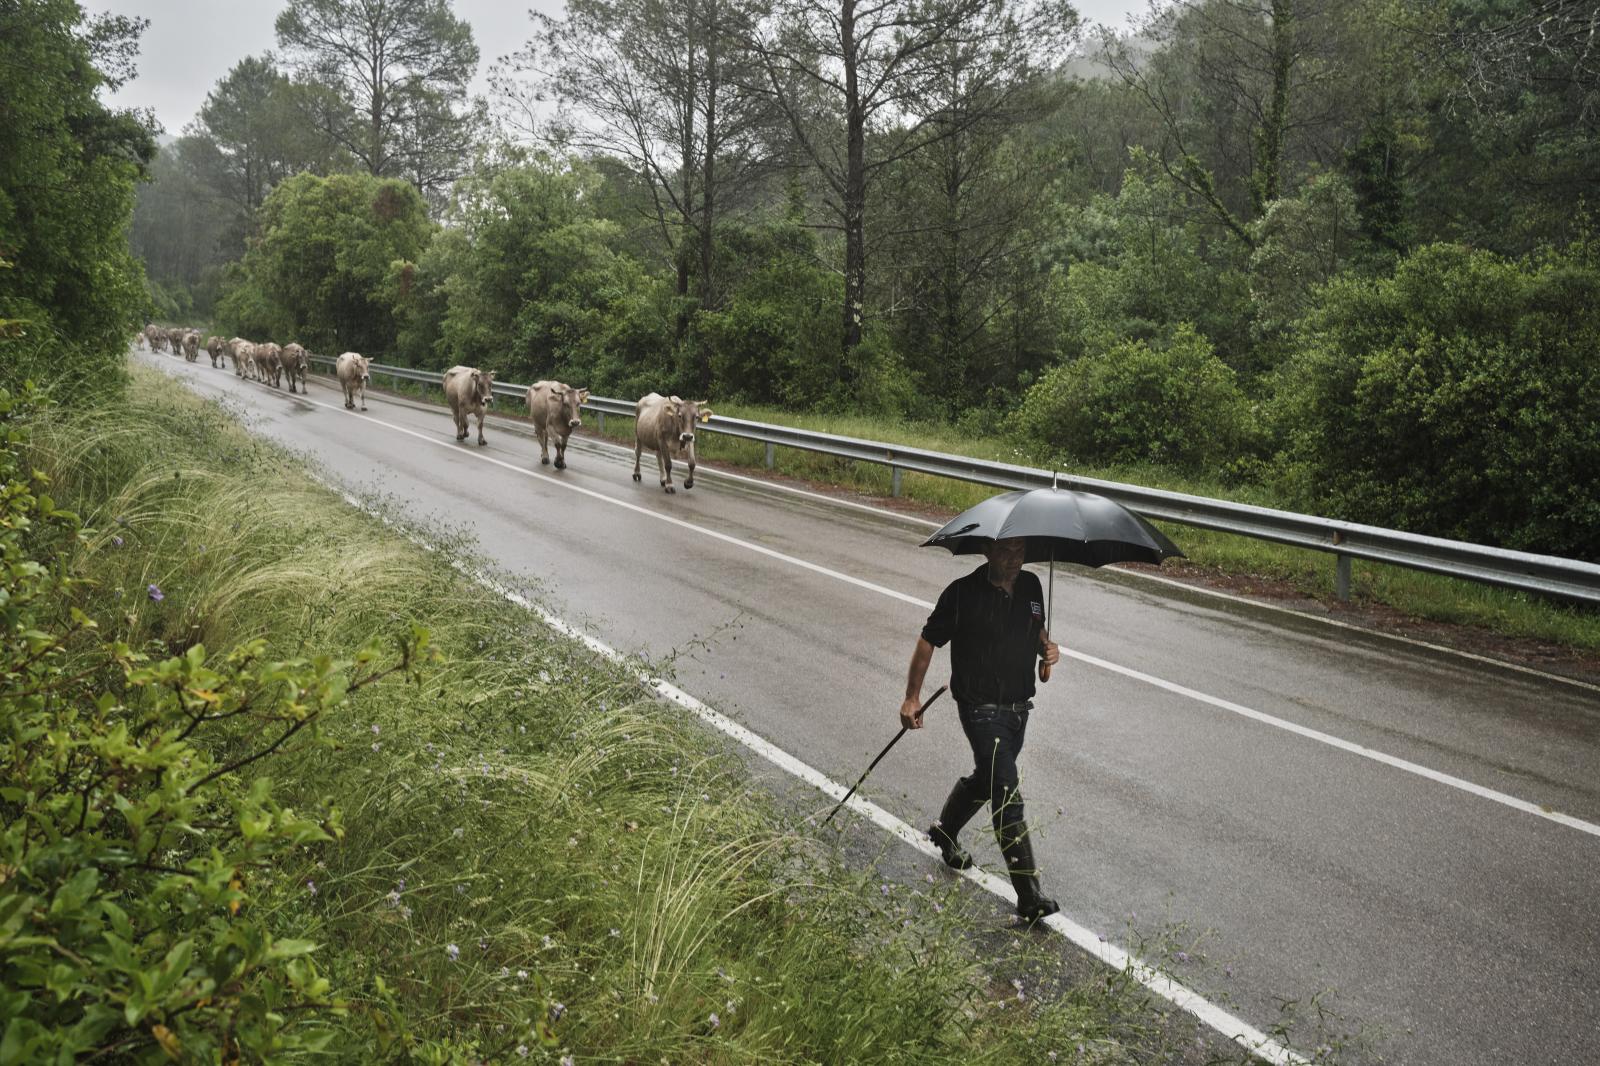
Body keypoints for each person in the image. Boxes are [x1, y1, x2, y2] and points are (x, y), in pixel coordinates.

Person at [900, 536, 1062, 923]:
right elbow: (928, 642)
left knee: (989, 779)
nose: (1014, 560)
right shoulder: (961, 594)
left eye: (1021, 552)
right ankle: (1029, 894)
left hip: (1019, 709)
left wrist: (1047, 649)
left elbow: (1035, 628)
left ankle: (945, 830)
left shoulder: (1033, 586)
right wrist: (911, 697)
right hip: (980, 710)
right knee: (1007, 794)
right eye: (1006, 551)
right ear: (988, 550)